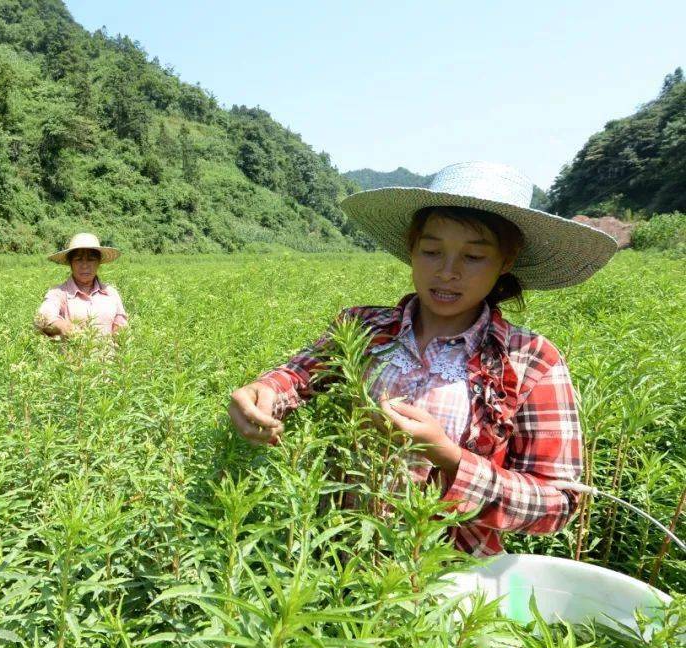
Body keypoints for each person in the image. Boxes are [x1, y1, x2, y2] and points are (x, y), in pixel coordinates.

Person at [228, 162, 618, 556]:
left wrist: (449, 457)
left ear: (506, 261)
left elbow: (559, 504)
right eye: (432, 251)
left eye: (474, 257)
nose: (447, 272)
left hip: (444, 575)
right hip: (333, 559)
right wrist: (263, 392)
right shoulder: (362, 326)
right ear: (412, 250)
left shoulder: (532, 361)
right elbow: (296, 376)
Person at [36, 233, 128, 339]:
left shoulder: (110, 293)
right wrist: (66, 328)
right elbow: (42, 318)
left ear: (98, 263)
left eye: (91, 259)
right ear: (71, 263)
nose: (85, 265)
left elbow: (121, 328)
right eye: (78, 259)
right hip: (73, 355)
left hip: (107, 355)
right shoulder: (58, 293)